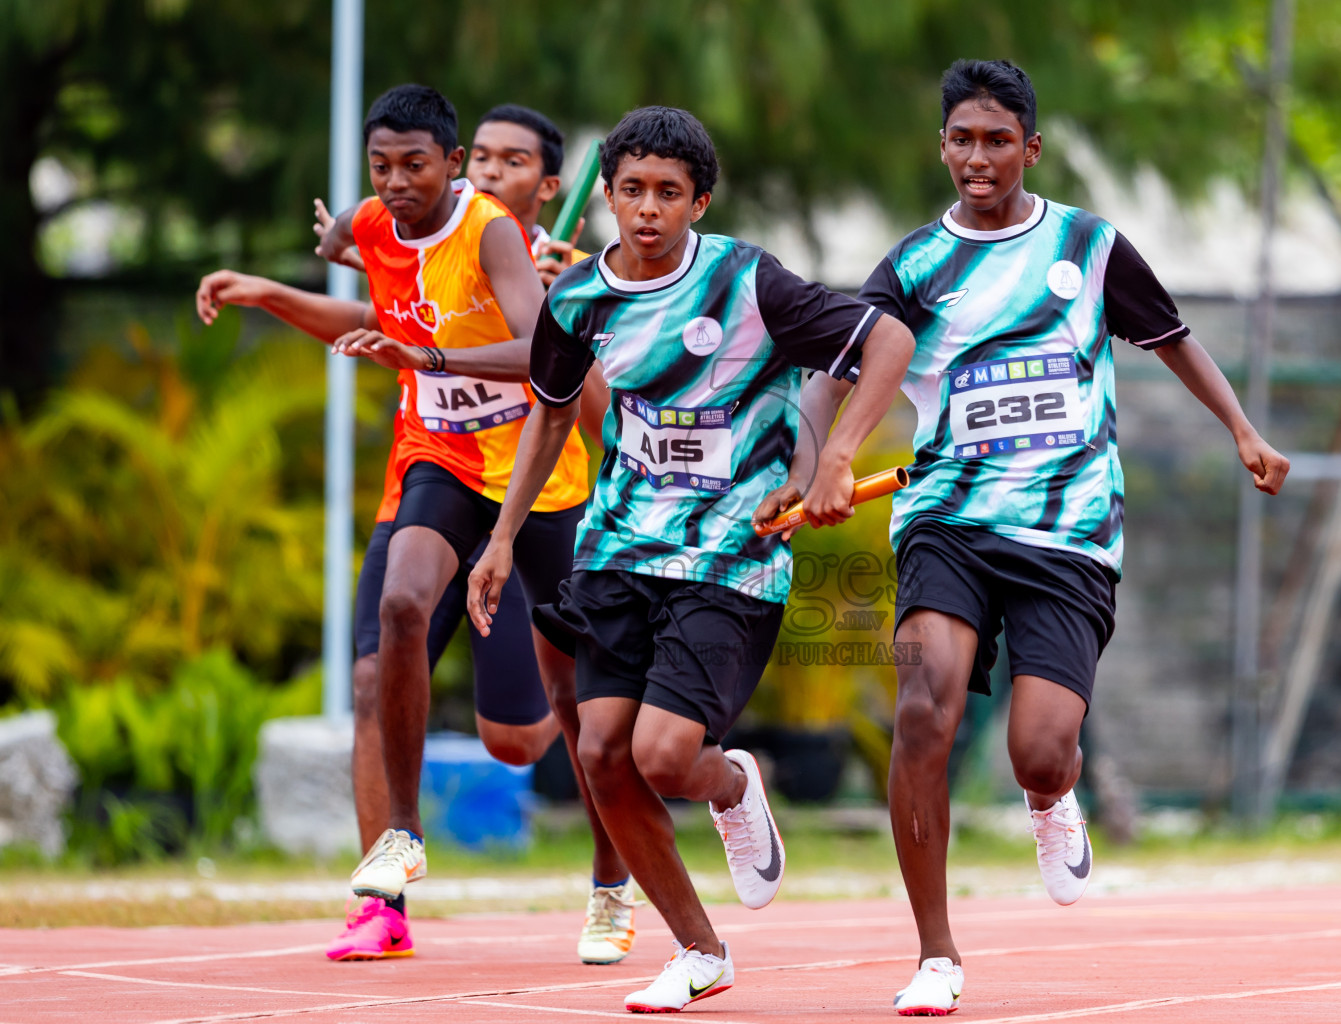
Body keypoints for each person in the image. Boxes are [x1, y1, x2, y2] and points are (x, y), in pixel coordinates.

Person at [805, 59, 1291, 1015]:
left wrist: (1241, 426)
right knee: (924, 705)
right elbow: (834, 368)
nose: (977, 158)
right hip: (946, 519)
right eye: (960, 140)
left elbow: (1174, 339)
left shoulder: (1088, 244)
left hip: (1067, 532)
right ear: (940, 146)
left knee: (1039, 747)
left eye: (997, 141)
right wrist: (817, 457)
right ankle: (935, 954)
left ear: (1030, 148)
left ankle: (1049, 795)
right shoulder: (911, 265)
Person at [465, 105, 915, 1014]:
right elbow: (553, 410)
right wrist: (504, 535)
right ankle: (701, 951)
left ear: (698, 201)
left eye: (669, 193)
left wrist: (830, 459)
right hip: (621, 549)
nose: (647, 209)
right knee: (601, 752)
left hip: (731, 557)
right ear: (606, 196)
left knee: (666, 757)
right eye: (631, 190)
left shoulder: (749, 282)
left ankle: (732, 778)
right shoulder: (580, 301)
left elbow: (888, 342)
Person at [196, 89, 635, 966]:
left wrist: (551, 316)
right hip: (433, 467)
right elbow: (371, 298)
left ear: (548, 186)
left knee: (531, 731)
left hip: (538, 492)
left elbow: (582, 396)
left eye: (514, 163)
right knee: (382, 647)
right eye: (486, 160)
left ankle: (611, 883)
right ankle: (390, 872)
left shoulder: (532, 254)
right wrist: (286, 281)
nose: (491, 174)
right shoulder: (389, 219)